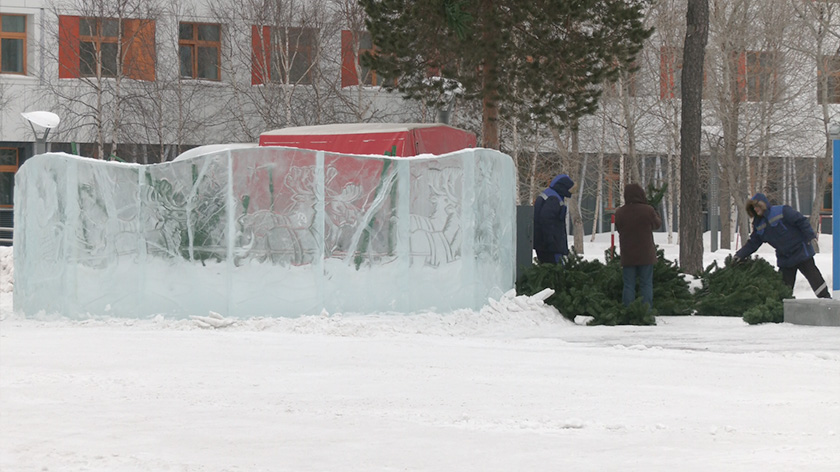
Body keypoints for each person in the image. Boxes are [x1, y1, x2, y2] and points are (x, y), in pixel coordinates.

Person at [734, 193, 830, 298]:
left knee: (816, 280)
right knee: (784, 290)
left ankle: (827, 302)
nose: (756, 209)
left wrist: (809, 237)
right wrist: (740, 255)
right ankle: (783, 310)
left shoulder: (782, 211)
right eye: (753, 208)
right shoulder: (759, 225)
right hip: (785, 259)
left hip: (801, 252)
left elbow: (801, 220)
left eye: (757, 206)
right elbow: (753, 243)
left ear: (763, 205)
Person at [614, 183, 662, 308]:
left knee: (628, 285)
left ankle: (628, 311)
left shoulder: (620, 212)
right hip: (646, 254)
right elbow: (657, 225)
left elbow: (619, 228)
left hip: (628, 254)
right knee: (646, 284)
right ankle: (646, 311)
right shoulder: (648, 210)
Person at [533, 174, 575, 264]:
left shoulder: (549, 194)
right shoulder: (554, 199)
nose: (571, 192)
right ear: (563, 187)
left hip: (543, 246)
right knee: (556, 273)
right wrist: (552, 243)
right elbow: (547, 221)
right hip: (550, 248)